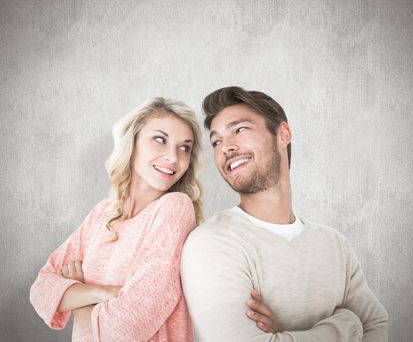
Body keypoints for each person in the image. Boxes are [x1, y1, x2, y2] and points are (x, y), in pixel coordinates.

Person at [181, 86, 388, 342]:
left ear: (283, 134)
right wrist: (346, 325)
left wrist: (283, 335)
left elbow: (377, 325)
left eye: (240, 129)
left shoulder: (336, 246)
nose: (225, 147)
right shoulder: (212, 242)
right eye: (216, 141)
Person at [30, 97, 203, 342]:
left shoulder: (174, 209)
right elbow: (41, 289)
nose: (173, 158)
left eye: (184, 147)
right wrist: (101, 292)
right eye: (160, 140)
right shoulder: (102, 214)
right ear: (131, 143)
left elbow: (126, 329)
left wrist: (76, 295)